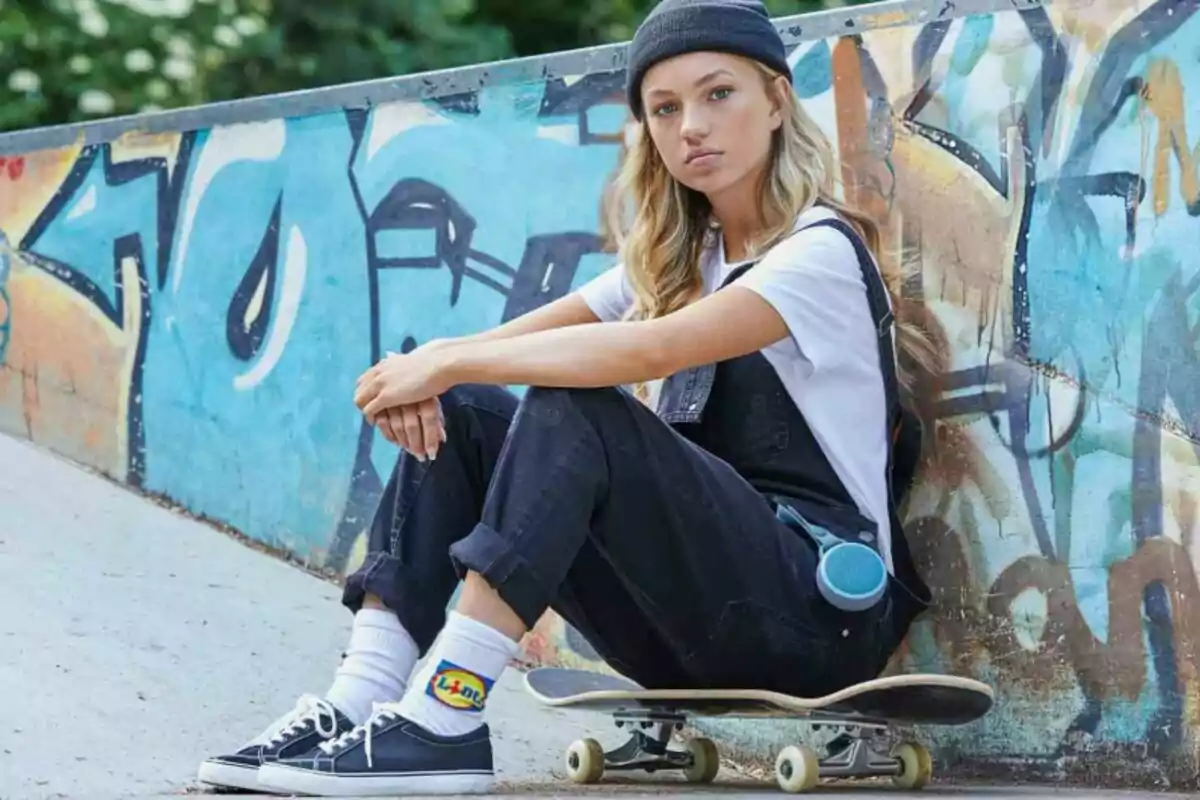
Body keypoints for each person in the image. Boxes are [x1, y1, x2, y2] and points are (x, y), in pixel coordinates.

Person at [197, 0, 946, 795]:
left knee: (572, 397)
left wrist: (441, 366)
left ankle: (446, 715)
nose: (691, 125)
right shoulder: (683, 256)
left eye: (717, 94)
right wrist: (434, 369)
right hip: (680, 623)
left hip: (814, 616)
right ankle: (363, 696)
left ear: (775, 99)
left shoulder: (819, 253)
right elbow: (526, 336)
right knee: (467, 412)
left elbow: (644, 348)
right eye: (665, 108)